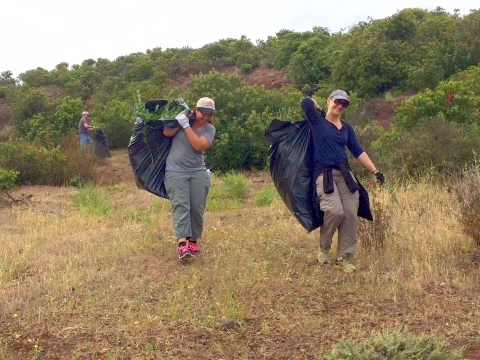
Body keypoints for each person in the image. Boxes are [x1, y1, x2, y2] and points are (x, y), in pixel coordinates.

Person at [300, 90, 385, 272]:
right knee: (334, 210)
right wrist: (321, 109)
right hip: (325, 174)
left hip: (345, 175)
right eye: (337, 102)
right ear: (329, 100)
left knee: (350, 214)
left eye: (344, 104)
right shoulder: (318, 122)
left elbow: (357, 150)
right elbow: (306, 102)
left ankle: (344, 258)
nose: (339, 106)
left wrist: (375, 171)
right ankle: (324, 247)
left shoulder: (346, 127)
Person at [163, 97, 217, 259]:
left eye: (210, 114)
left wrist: (186, 126)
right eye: (203, 113)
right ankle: (182, 245)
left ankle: (193, 241)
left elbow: (199, 145)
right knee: (181, 205)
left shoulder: (209, 130)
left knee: (196, 207)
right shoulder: (184, 120)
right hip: (175, 171)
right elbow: (166, 132)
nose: (206, 117)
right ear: (196, 110)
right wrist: (180, 121)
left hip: (197, 171)